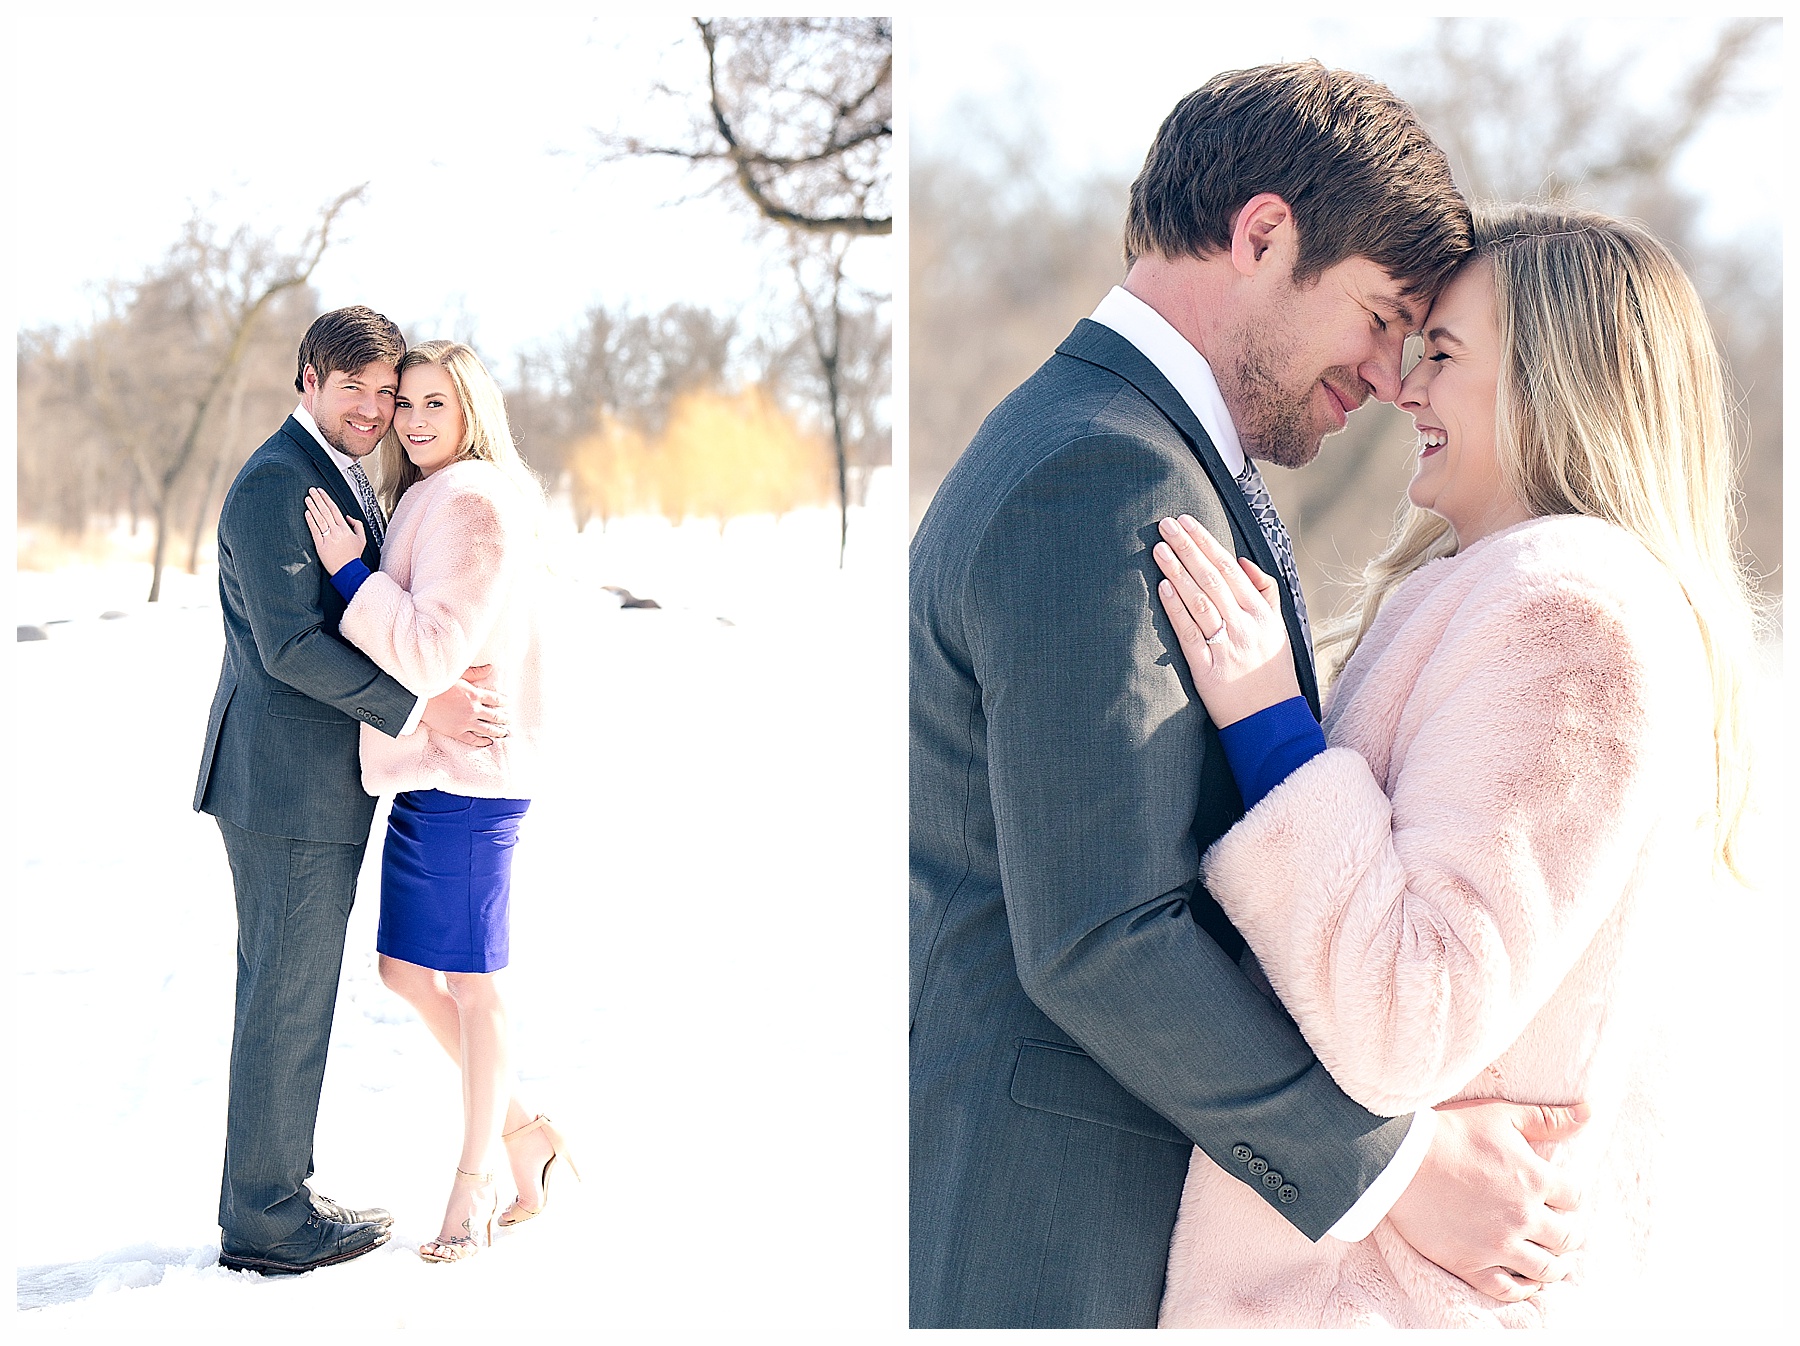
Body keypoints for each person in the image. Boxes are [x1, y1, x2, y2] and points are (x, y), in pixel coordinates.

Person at [909, 64, 1589, 1329]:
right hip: (1058, 1233)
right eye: (1383, 316)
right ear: (1264, 235)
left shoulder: (1130, 445)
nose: (1392, 379)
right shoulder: (1104, 473)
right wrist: (1393, 1167)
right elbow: (1102, 932)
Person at [1149, 204, 1758, 1327]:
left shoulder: (1573, 613)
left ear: (1555, 379)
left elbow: (1406, 1013)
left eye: (1443, 353)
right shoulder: (1517, 590)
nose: (1405, 388)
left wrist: (1271, 725)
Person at [195, 308, 509, 1275]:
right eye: (357, 390)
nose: (376, 411)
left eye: (389, 393)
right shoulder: (274, 485)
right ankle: (266, 1219)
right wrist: (423, 712)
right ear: (307, 382)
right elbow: (290, 647)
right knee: (284, 999)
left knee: (293, 993)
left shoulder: (343, 477)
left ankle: (277, 1186)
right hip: (283, 791)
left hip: (315, 785)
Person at [304, 340, 571, 1264]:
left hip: (472, 777)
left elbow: (425, 653)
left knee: (471, 981)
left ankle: (474, 1186)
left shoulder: (469, 502)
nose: (413, 420)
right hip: (436, 768)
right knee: (405, 974)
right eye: (403, 402)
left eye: (433, 404)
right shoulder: (433, 493)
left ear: (470, 414)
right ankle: (526, 1128)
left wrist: (348, 577)